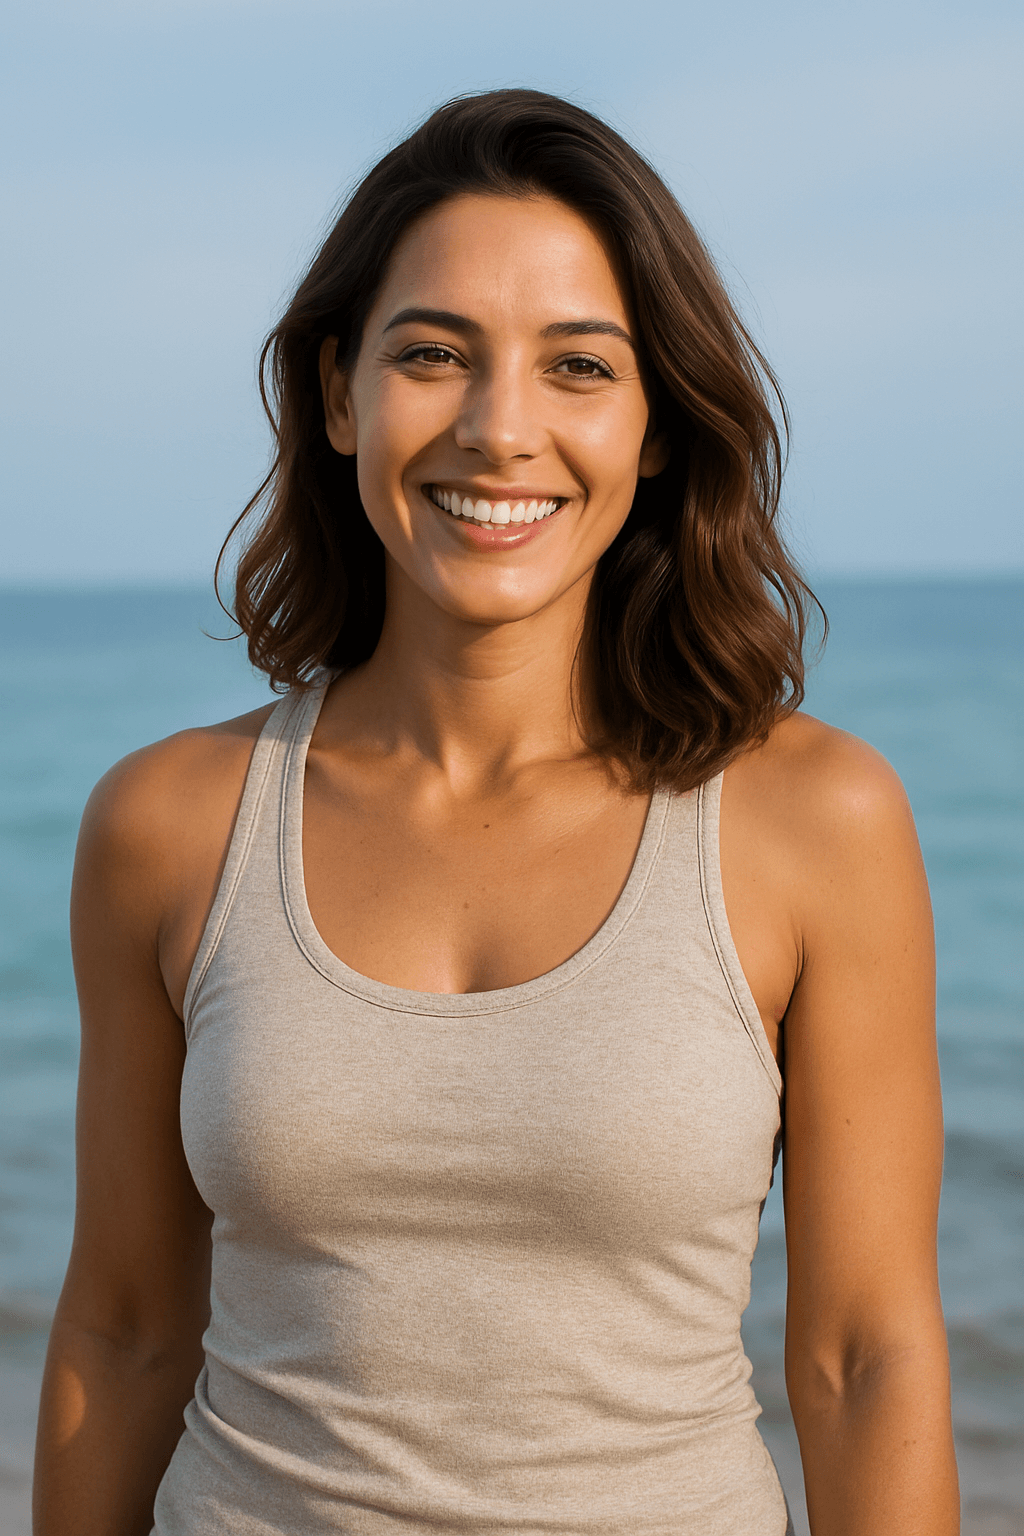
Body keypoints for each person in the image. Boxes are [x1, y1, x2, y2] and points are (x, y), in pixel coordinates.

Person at [33, 89, 959, 1535]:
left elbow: (862, 1363)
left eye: (578, 366)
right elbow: (127, 1328)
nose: (498, 428)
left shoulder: (812, 819)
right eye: (431, 355)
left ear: (655, 424)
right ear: (340, 396)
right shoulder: (167, 824)